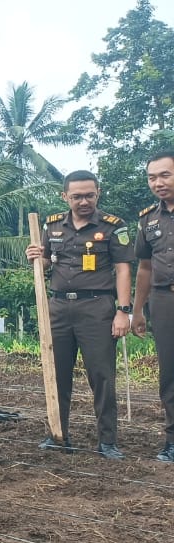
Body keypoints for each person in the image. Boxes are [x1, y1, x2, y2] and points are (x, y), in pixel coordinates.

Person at [25, 170, 132, 459]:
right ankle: (57, 434)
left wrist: (123, 311)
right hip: (58, 309)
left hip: (97, 308)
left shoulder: (113, 227)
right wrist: (37, 255)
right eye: (76, 196)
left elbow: (123, 269)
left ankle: (107, 441)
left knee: (102, 376)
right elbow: (47, 262)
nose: (83, 201)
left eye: (89, 195)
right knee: (56, 375)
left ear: (98, 193)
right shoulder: (53, 225)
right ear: (65, 197)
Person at [131, 150, 174, 462]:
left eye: (165, 175)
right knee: (169, 373)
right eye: (152, 177)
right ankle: (173, 440)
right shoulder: (148, 219)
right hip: (163, 300)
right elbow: (144, 268)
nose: (158, 183)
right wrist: (137, 310)